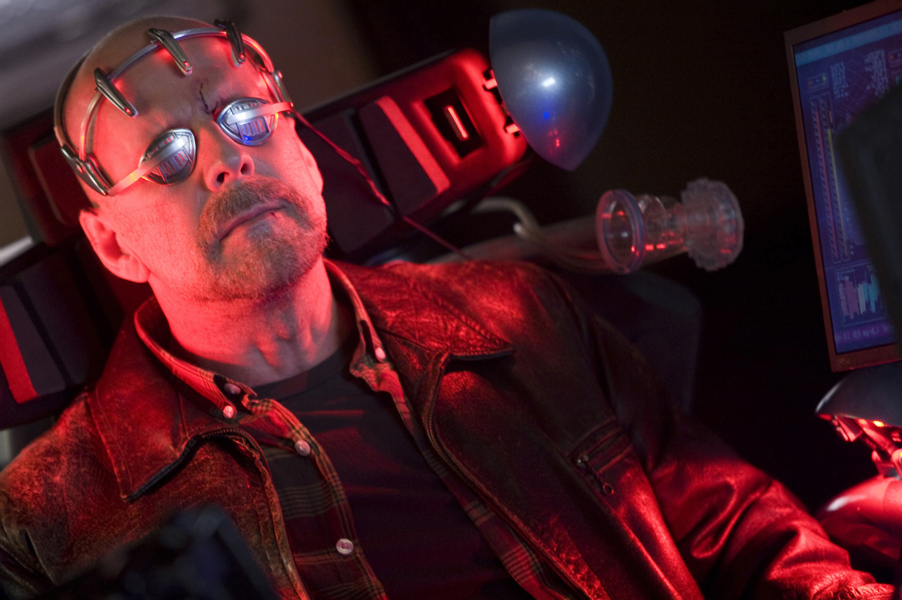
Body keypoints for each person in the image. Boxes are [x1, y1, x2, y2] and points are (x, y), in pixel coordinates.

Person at [0, 14, 892, 600]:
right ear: (112, 244)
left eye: (245, 120)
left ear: (303, 150)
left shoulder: (521, 318)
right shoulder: (42, 524)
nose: (226, 162)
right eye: (167, 156)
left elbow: (738, 531)